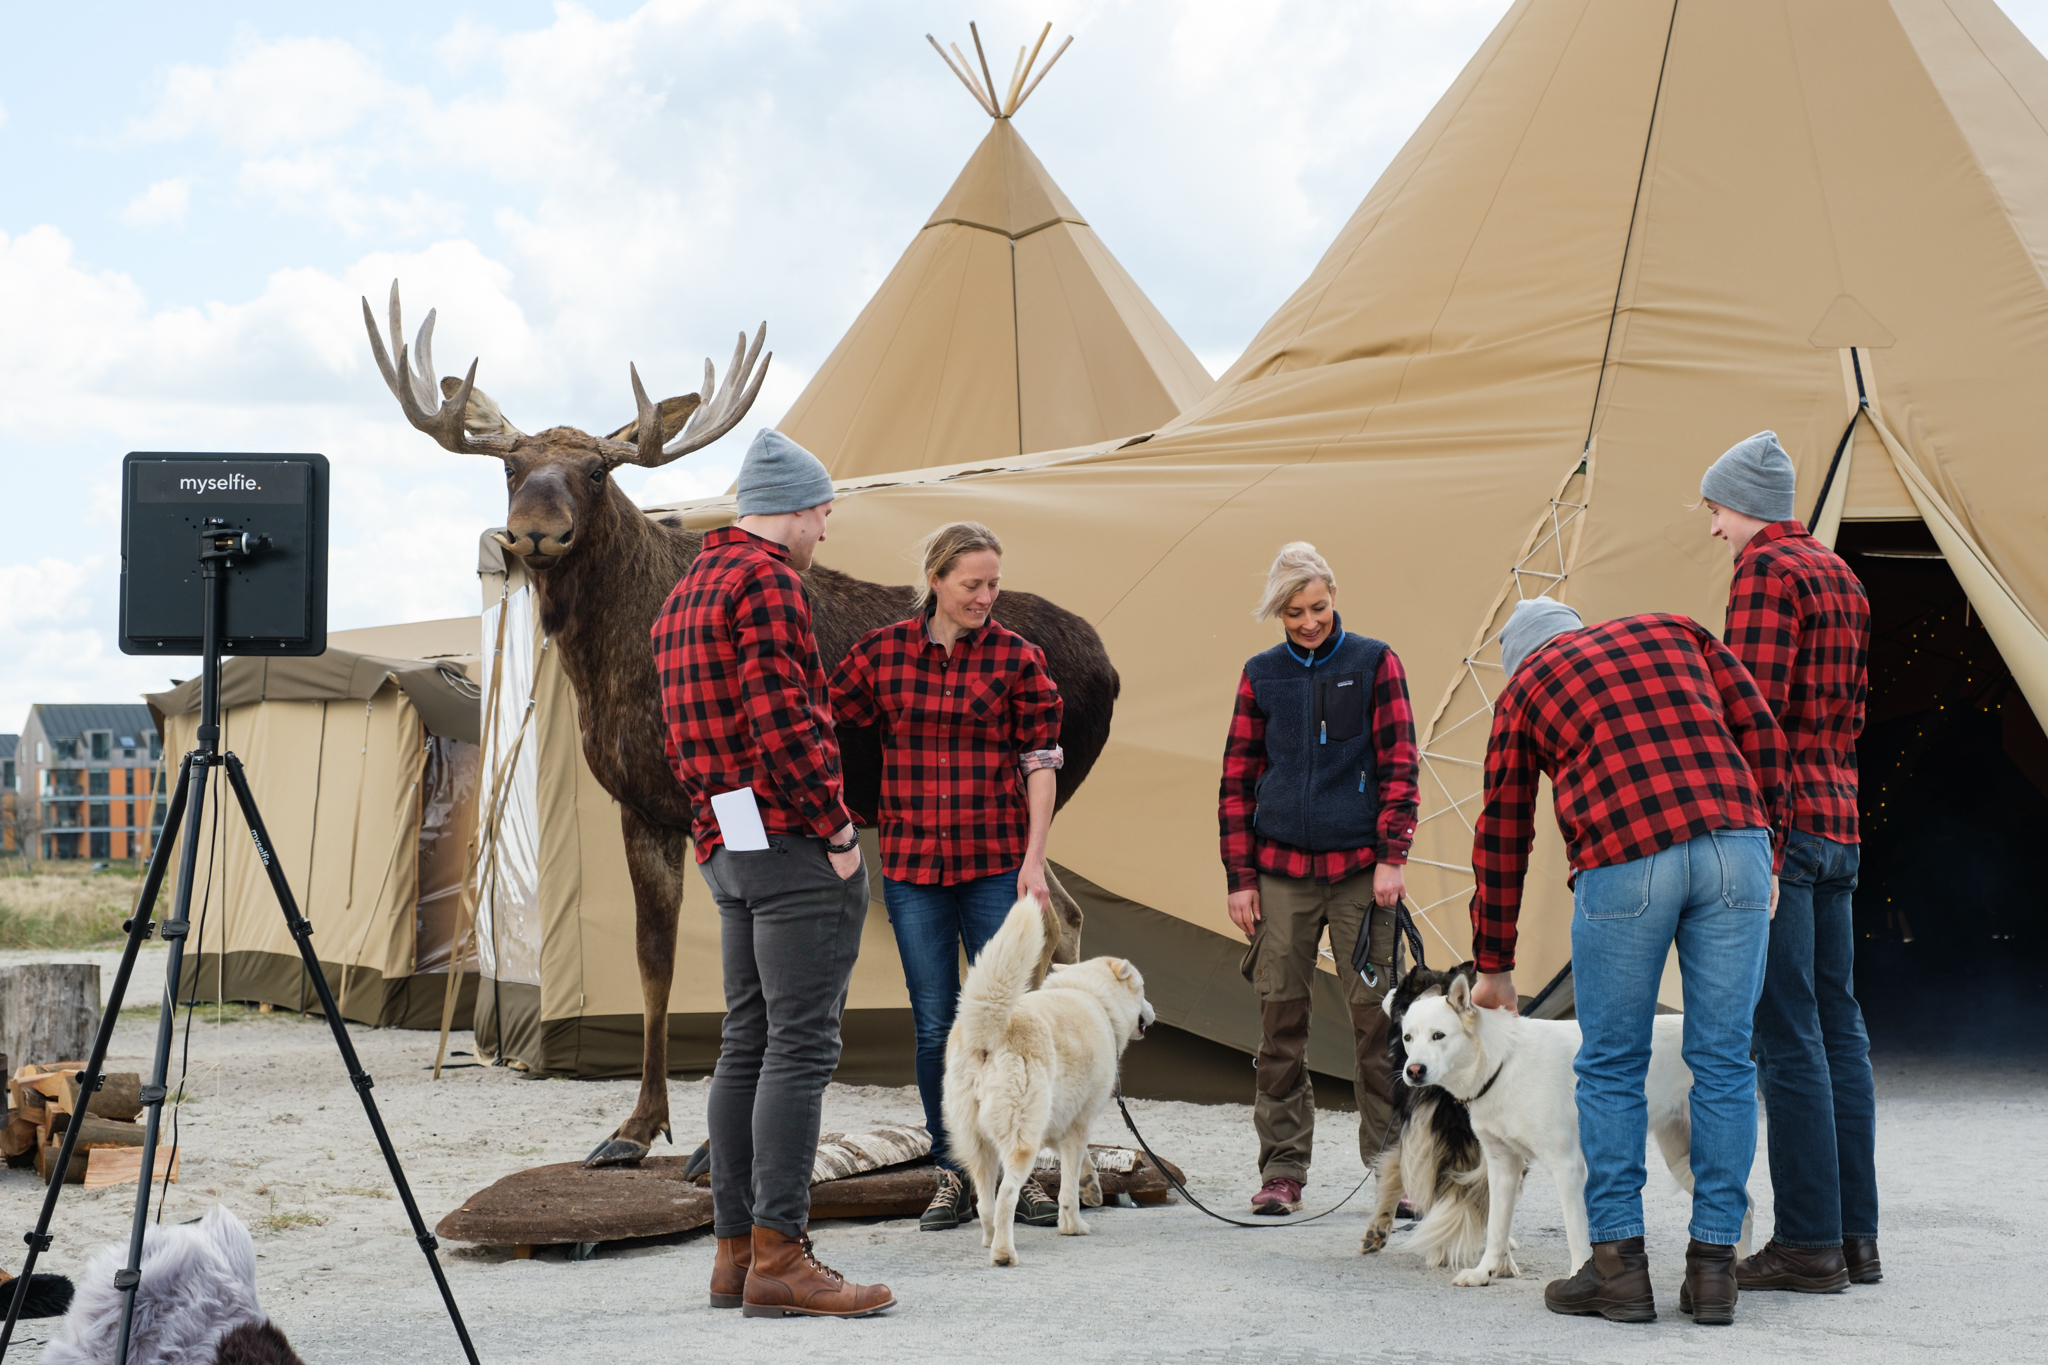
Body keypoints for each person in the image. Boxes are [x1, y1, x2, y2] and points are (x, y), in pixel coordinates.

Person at [1469, 597, 1789, 1326]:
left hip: (1624, 856)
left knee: (1611, 1061)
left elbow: (1503, 829)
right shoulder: (1674, 628)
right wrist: (1771, 849)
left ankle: (1617, 1270)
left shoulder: (1525, 689)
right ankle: (1715, 1271)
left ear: (1519, 659)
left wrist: (1494, 960)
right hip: (1734, 844)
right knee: (1724, 1060)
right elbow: (1764, 736)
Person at [652, 428, 892, 1319]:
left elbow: (674, 734)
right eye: (824, 514)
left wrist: (712, 829)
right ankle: (782, 1260)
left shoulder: (684, 593)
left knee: (745, 1039)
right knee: (800, 1045)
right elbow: (783, 718)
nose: (826, 532)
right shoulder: (768, 583)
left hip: (728, 844)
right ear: (795, 509)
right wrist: (835, 825)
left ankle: (733, 1253)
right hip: (792, 840)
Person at [827, 521, 1067, 1234]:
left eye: (993, 583)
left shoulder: (1020, 659)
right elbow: (826, 724)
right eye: (972, 584)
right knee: (937, 1026)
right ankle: (955, 1171)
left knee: (1010, 1021)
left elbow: (1042, 760)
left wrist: (1035, 857)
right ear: (936, 580)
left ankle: (1018, 1169)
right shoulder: (880, 655)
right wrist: (841, 813)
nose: (986, 596)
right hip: (912, 870)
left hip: (995, 862)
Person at [1702, 431, 1880, 1293]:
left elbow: (1755, 720)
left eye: (1718, 509)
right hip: (1842, 818)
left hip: (1788, 827)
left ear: (1751, 507)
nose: (1714, 529)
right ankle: (1856, 1237)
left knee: (1786, 1032)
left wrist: (1758, 849)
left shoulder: (1767, 573)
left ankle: (1807, 1241)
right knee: (1840, 1027)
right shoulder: (1841, 572)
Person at [1218, 542, 1418, 1216]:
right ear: (1278, 610)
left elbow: (1399, 764)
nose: (1309, 622)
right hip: (1279, 873)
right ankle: (1282, 1172)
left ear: (1335, 596)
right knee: (1281, 1023)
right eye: (1294, 611)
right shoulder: (1260, 674)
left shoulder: (1374, 661)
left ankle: (1398, 1168)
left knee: (1377, 1022)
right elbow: (1236, 781)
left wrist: (1393, 856)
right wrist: (1239, 878)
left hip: (1362, 870)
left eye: (1319, 607)